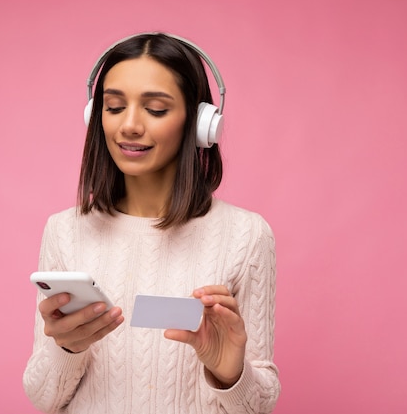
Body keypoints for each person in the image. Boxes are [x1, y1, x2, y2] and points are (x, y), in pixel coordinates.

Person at [23, 32, 280, 413]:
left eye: (156, 110)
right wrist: (67, 348)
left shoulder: (246, 235)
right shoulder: (64, 231)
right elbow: (43, 398)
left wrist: (230, 373)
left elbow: (259, 406)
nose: (129, 125)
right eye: (113, 107)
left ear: (200, 123)